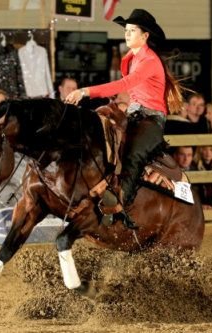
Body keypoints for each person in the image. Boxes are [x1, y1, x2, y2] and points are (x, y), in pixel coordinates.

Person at [64, 8, 184, 224]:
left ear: (145, 36)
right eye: (126, 30)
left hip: (151, 120)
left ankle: (119, 203)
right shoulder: (131, 58)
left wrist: (85, 91)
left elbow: (124, 84)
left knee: (133, 153)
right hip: (132, 114)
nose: (126, 34)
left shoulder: (149, 61)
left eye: (132, 30)